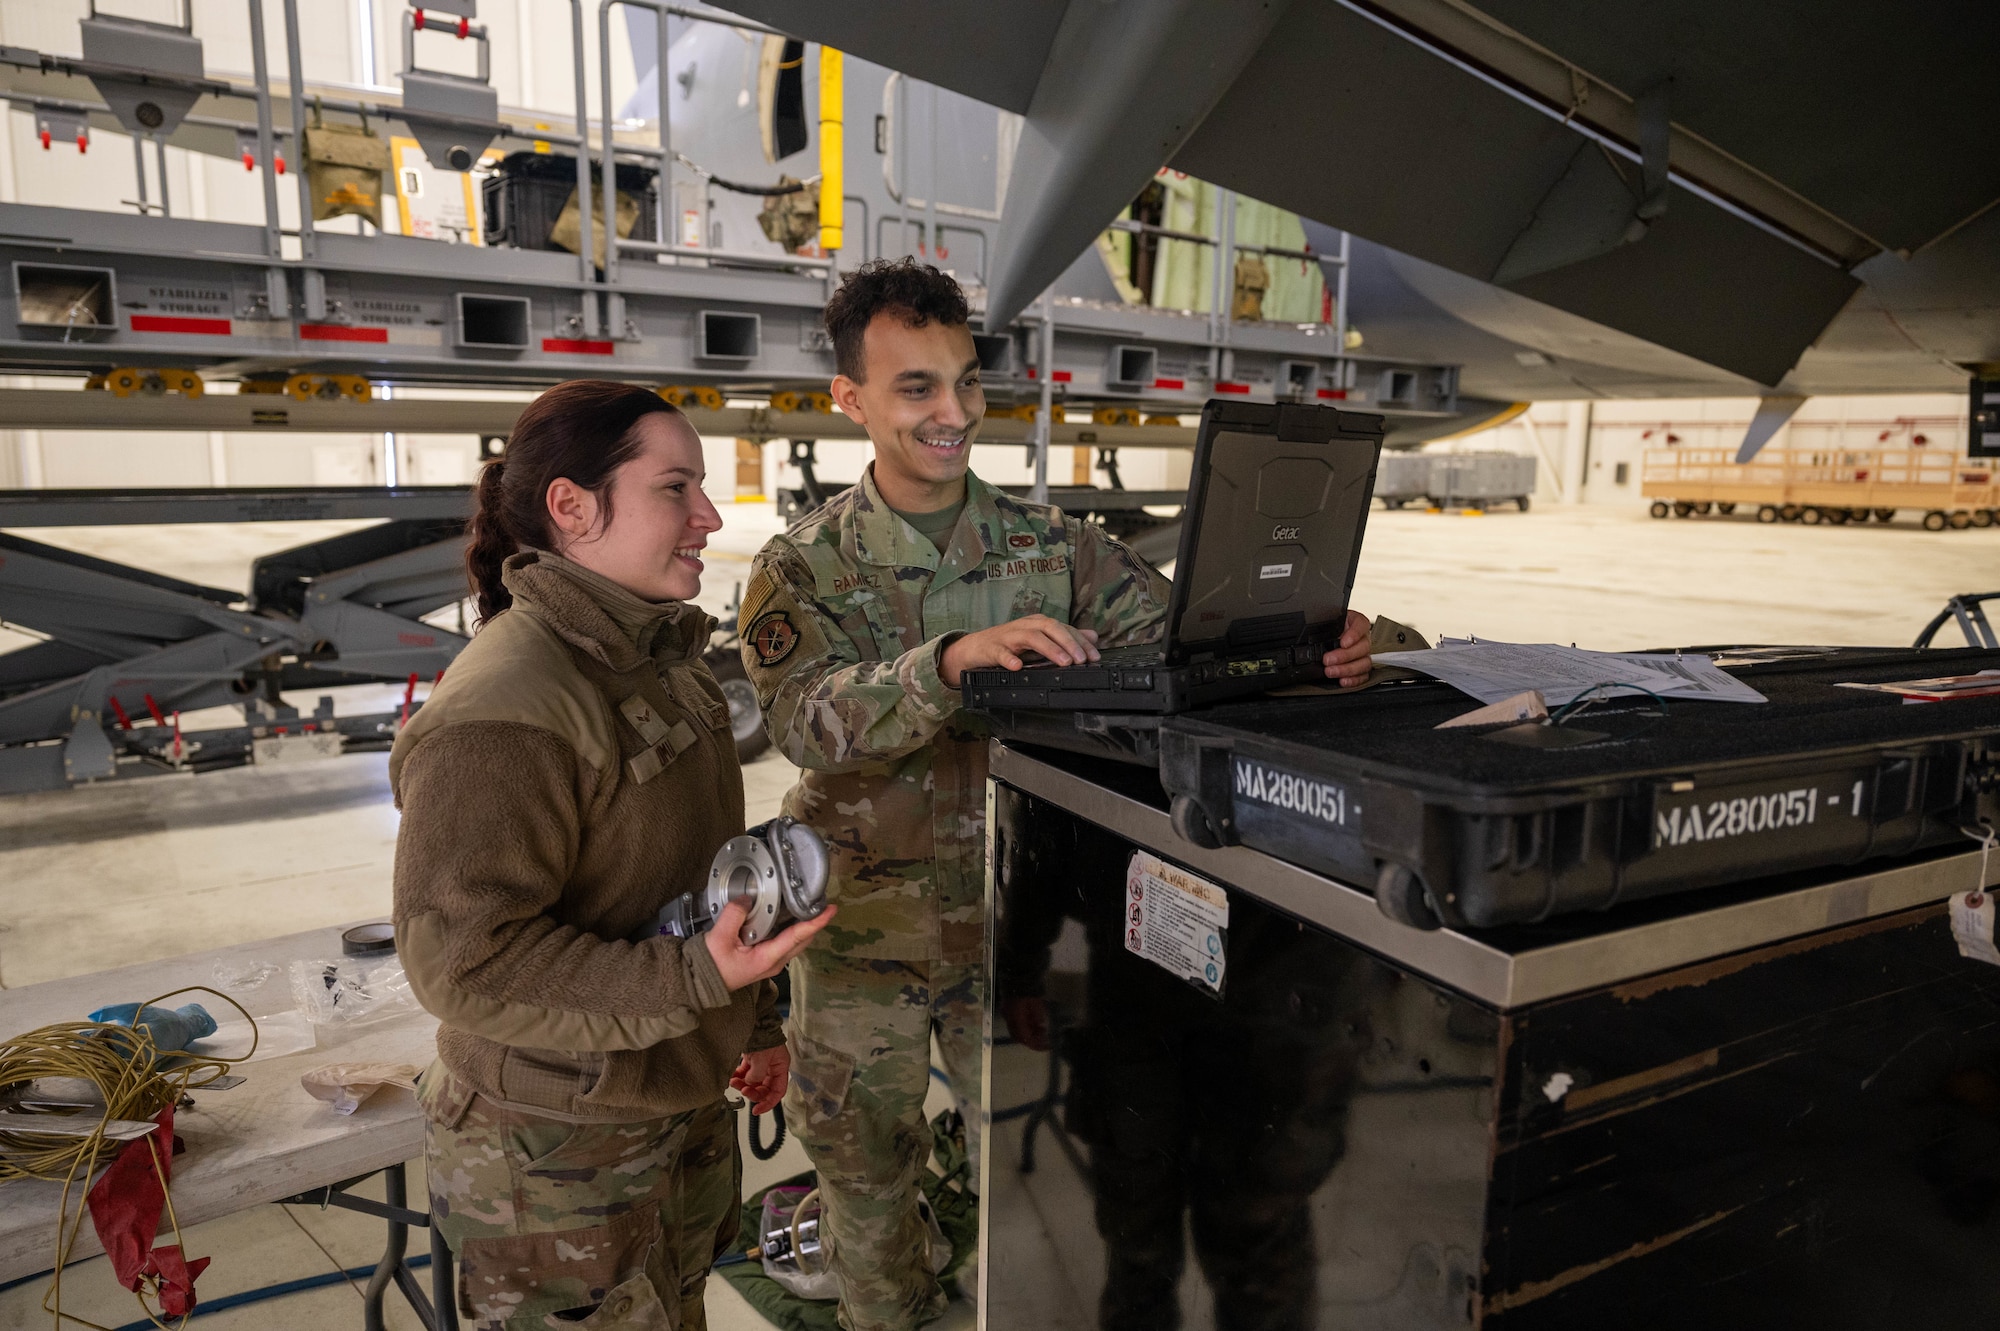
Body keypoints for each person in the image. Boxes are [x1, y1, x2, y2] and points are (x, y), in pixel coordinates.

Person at [737, 258, 1385, 1331]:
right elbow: (804, 720)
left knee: (1044, 1188)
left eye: (965, 380)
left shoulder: (1056, 552)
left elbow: (1193, 647)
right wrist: (946, 664)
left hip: (1016, 939)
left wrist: (1336, 642)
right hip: (860, 943)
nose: (954, 414)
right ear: (847, 399)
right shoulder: (802, 568)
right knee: (865, 1181)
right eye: (916, 389)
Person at [391, 379, 835, 1331]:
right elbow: (465, 962)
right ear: (572, 507)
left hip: (662, 1103)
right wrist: (692, 978)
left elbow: (707, 875)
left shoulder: (660, 659)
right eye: (677, 488)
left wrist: (748, 1019)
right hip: (554, 1154)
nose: (710, 516)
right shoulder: (507, 708)